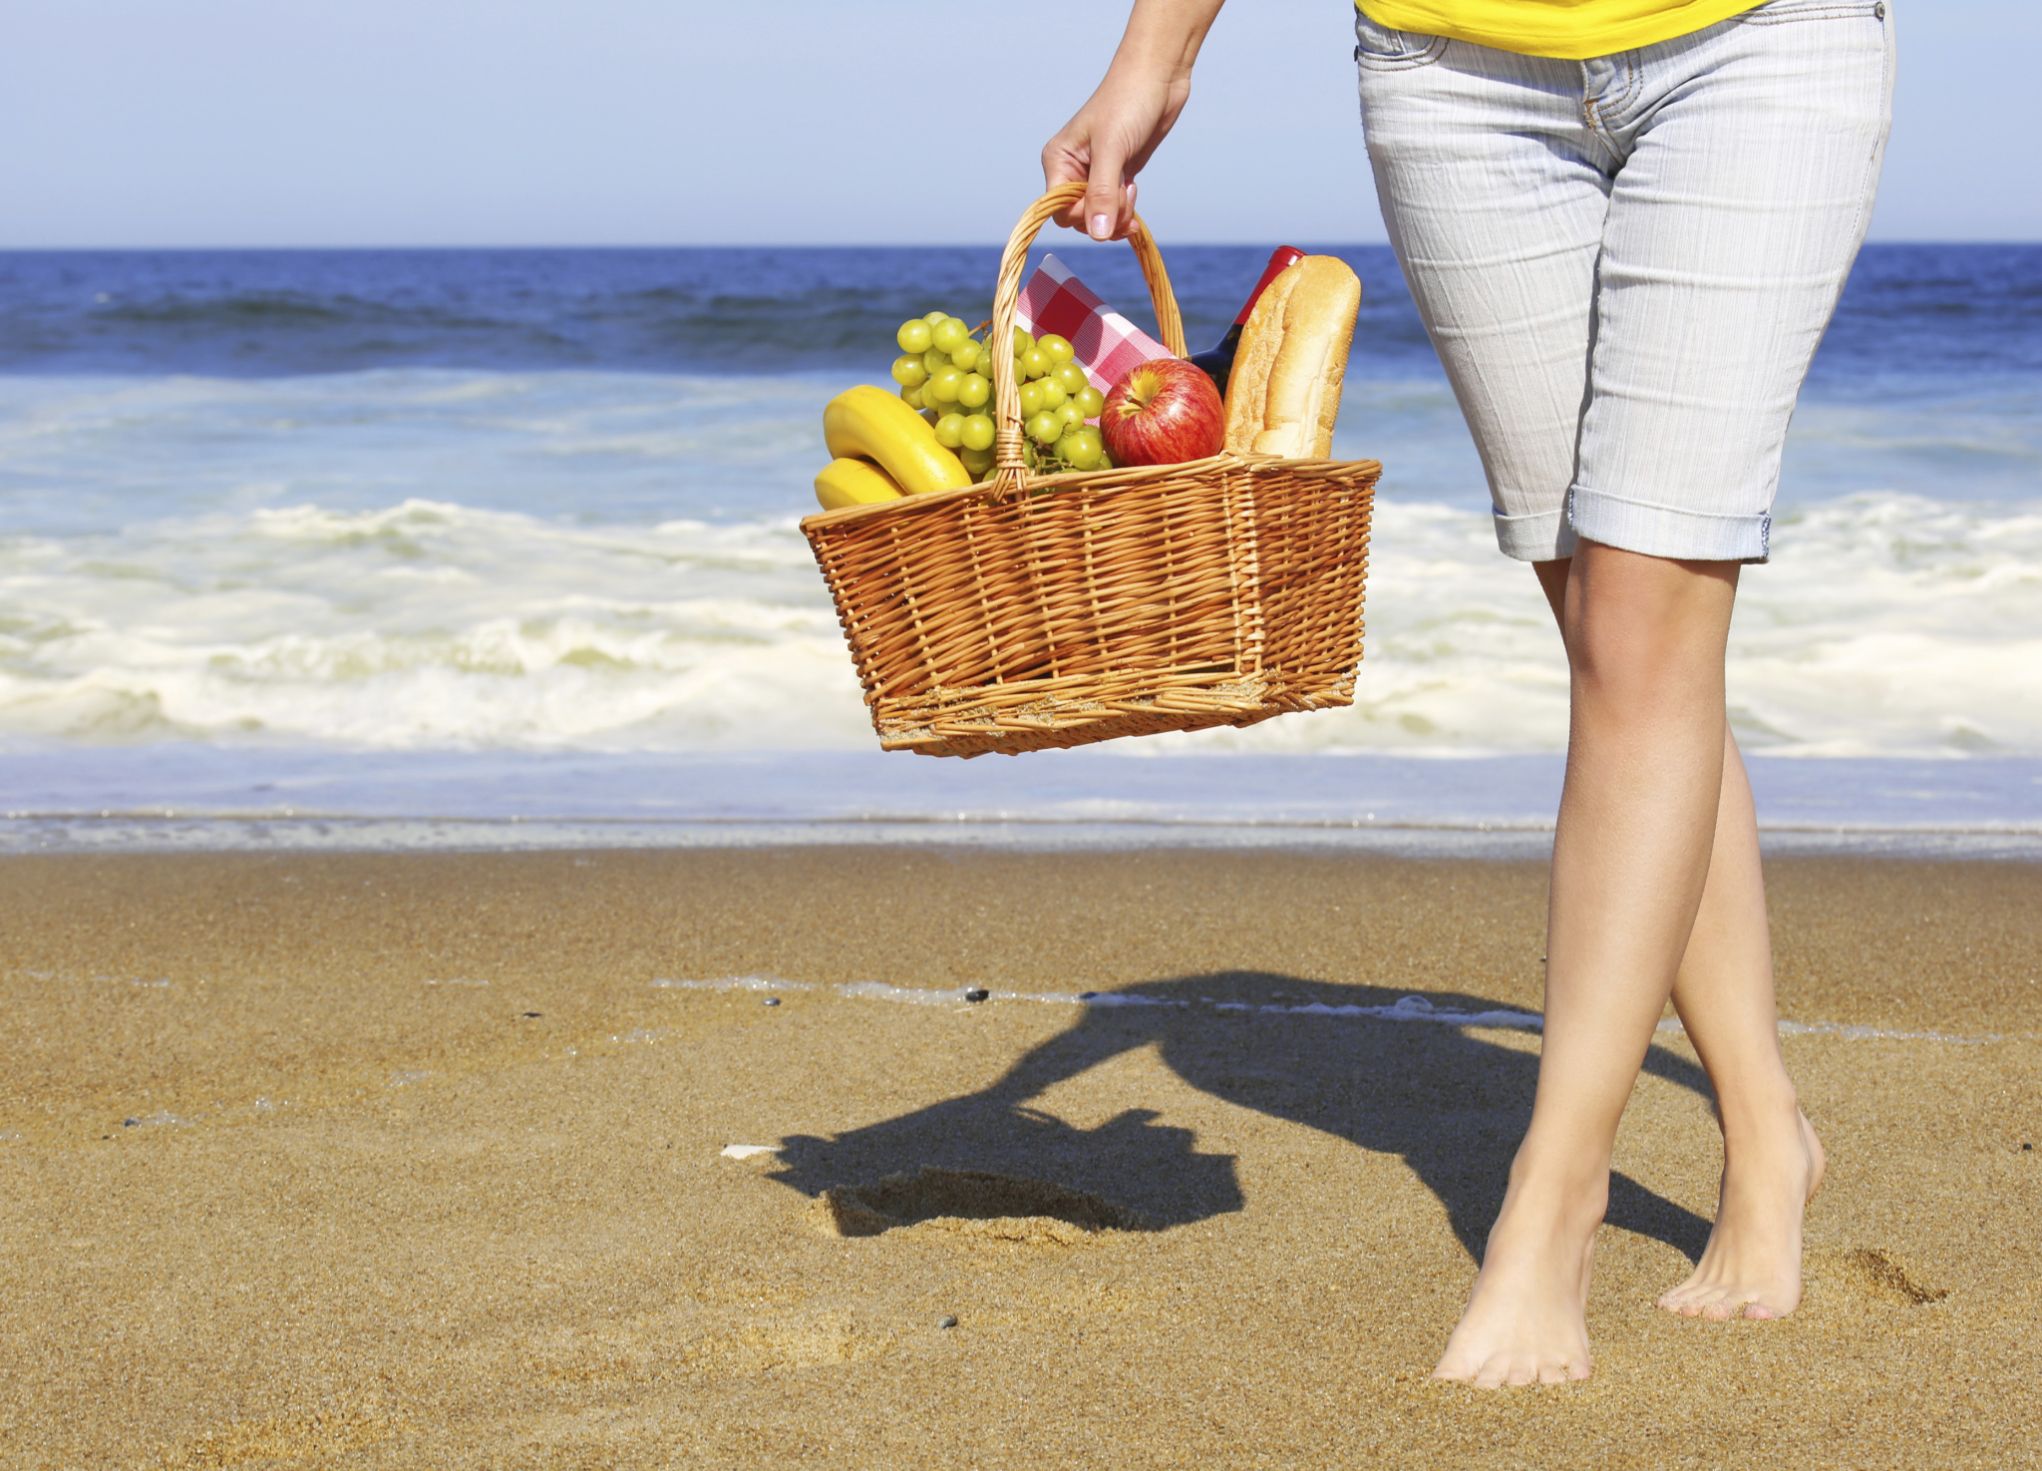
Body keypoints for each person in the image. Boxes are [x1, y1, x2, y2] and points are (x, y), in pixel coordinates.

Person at [1041, 0, 1894, 1388]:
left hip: (1756, 45)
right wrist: (1156, 56)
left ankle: (1551, 1202)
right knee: (1622, 641)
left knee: (1642, 615)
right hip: (1451, 78)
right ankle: (1763, 1126)